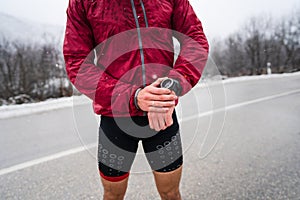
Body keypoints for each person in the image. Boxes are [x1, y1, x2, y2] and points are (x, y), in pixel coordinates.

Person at [63, 0, 208, 199]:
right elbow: (77, 62)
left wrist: (172, 86)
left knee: (170, 193)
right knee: (113, 196)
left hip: (162, 114)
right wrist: (133, 96)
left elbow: (195, 40)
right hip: (115, 118)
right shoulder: (82, 2)